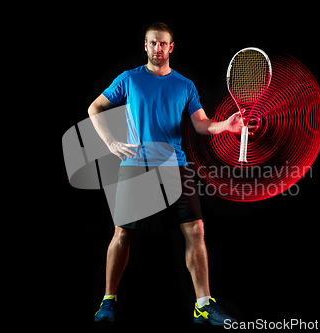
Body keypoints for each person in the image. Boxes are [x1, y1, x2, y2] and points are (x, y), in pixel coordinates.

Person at [88, 22, 242, 326]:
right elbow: (96, 107)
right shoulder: (129, 79)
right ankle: (108, 300)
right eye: (152, 43)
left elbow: (201, 124)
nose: (158, 49)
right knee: (122, 233)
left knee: (196, 230)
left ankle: (203, 304)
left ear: (171, 48)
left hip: (175, 166)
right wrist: (110, 142)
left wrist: (226, 126)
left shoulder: (185, 85)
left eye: (163, 44)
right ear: (145, 46)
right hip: (136, 166)